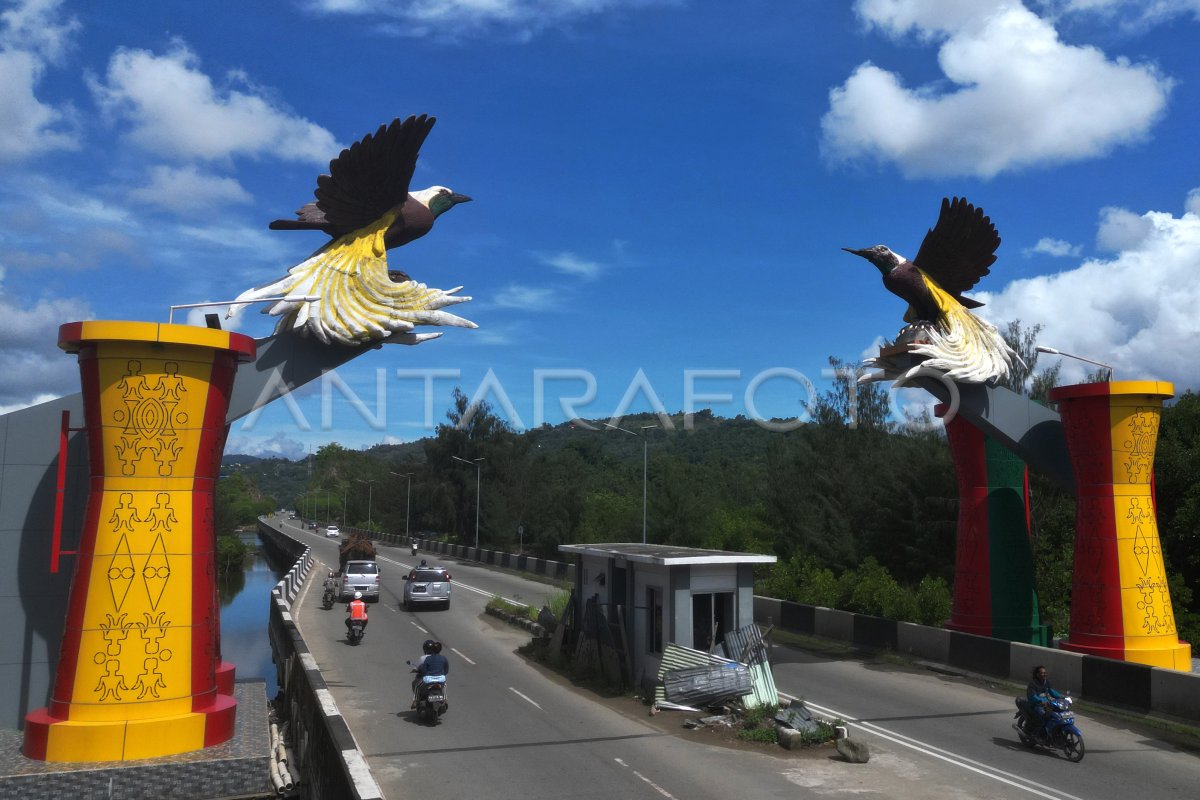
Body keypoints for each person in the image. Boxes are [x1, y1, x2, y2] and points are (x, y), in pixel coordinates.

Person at [411, 640, 449, 708]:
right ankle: (445, 700)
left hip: (428, 680)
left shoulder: (428, 658)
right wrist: (442, 674)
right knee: (445, 686)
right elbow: (446, 670)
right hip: (440, 679)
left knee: (417, 686)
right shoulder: (444, 658)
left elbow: (424, 669)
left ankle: (415, 701)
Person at [1026, 665, 1061, 738]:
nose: (1044, 674)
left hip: (1046, 703)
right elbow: (1033, 696)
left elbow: (1052, 691)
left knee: (1057, 714)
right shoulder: (1033, 683)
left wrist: (1062, 697)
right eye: (1042, 673)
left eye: (1045, 673)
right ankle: (1035, 734)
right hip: (1036, 704)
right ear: (1037, 674)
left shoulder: (1046, 682)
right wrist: (1041, 701)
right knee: (1044, 717)